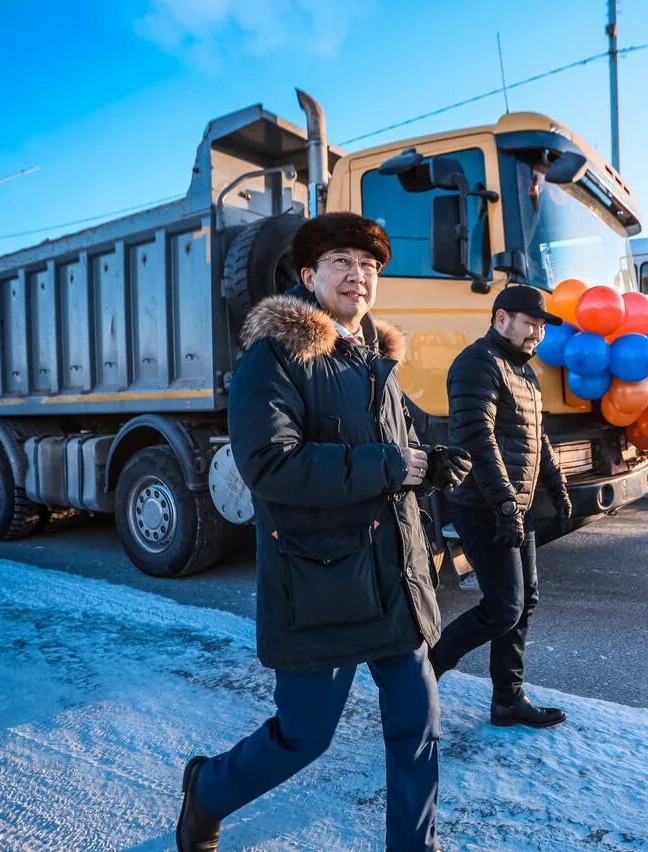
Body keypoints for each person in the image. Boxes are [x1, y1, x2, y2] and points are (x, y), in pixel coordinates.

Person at [176, 212, 470, 852]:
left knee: (417, 730)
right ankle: (207, 790)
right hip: (321, 584)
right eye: (341, 262)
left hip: (395, 578)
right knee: (303, 737)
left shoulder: (377, 361)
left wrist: (433, 461)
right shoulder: (274, 356)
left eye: (369, 267)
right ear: (308, 276)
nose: (358, 276)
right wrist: (392, 466)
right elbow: (268, 465)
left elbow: (403, 444)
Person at [429, 285, 572, 728]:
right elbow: (477, 438)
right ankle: (421, 675)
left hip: (515, 504)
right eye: (531, 323)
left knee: (525, 601)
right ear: (501, 319)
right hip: (482, 504)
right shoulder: (477, 364)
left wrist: (557, 484)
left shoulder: (524, 374)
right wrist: (506, 504)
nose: (537, 334)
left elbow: (536, 437)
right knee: (503, 607)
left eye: (542, 327)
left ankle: (507, 701)